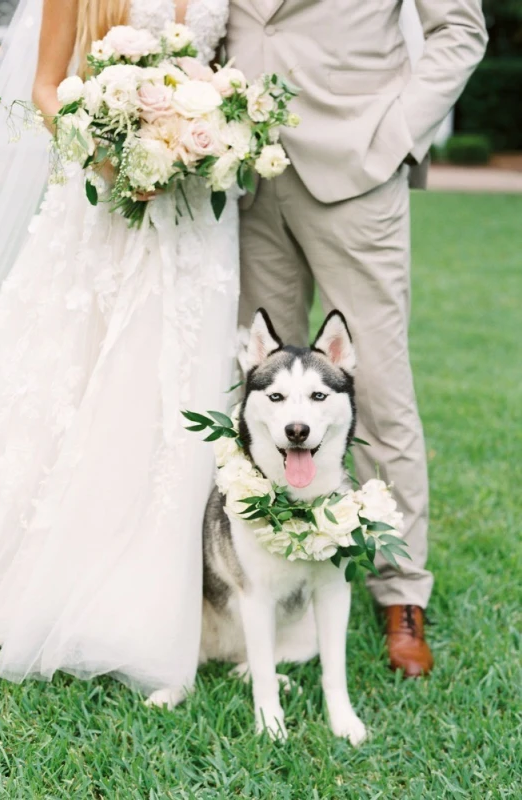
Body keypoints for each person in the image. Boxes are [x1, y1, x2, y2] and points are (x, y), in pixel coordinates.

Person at [0, 0, 234, 698]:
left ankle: (160, 589)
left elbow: (223, 75)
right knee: (76, 370)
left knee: (176, 382)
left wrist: (214, 131)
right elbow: (46, 86)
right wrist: (108, 153)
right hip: (101, 200)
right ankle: (45, 574)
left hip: (197, 214)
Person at [227, 0, 488, 676]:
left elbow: (458, 28)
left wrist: (398, 133)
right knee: (264, 394)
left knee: (376, 392)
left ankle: (400, 593)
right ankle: (279, 573)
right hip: (247, 172)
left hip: (357, 168)